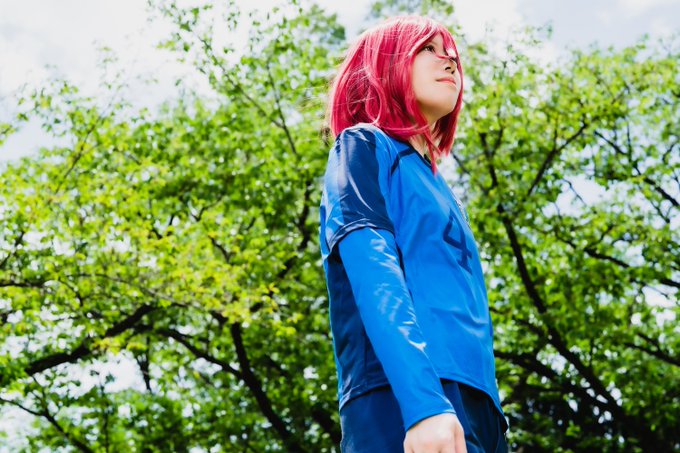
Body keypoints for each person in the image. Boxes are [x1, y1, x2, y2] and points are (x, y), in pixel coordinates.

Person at [319, 15, 508, 453]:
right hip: (402, 396)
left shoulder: (444, 191)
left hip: (481, 408)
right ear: (382, 64)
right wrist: (423, 405)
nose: (449, 61)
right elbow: (373, 271)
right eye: (427, 49)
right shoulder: (363, 146)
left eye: (451, 53)